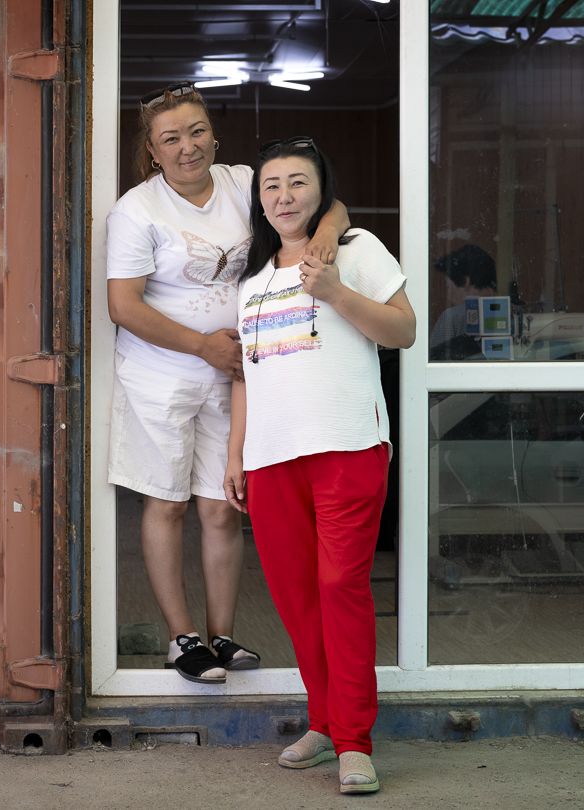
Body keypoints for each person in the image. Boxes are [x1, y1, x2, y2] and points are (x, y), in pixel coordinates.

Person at [105, 82, 350, 684]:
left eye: (196, 132)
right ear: (153, 151)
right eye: (171, 139)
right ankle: (181, 638)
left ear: (213, 134)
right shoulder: (138, 210)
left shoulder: (245, 181)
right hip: (160, 377)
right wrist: (201, 346)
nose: (187, 147)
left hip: (235, 376)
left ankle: (223, 635)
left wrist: (324, 238)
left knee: (222, 507)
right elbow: (123, 306)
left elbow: (332, 205)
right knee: (166, 501)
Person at [224, 136, 415, 794]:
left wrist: (334, 292)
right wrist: (235, 454)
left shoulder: (355, 250)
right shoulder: (251, 279)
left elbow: (403, 330)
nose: (284, 196)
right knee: (297, 599)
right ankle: (324, 721)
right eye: (271, 185)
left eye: (297, 182)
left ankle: (356, 741)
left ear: (321, 188)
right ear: (259, 199)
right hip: (272, 459)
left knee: (340, 587)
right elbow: (244, 375)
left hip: (347, 447)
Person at [428, 243, 496, 360]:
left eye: (448, 287)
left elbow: (433, 361)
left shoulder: (452, 317)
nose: (449, 297)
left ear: (465, 281)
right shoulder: (512, 312)